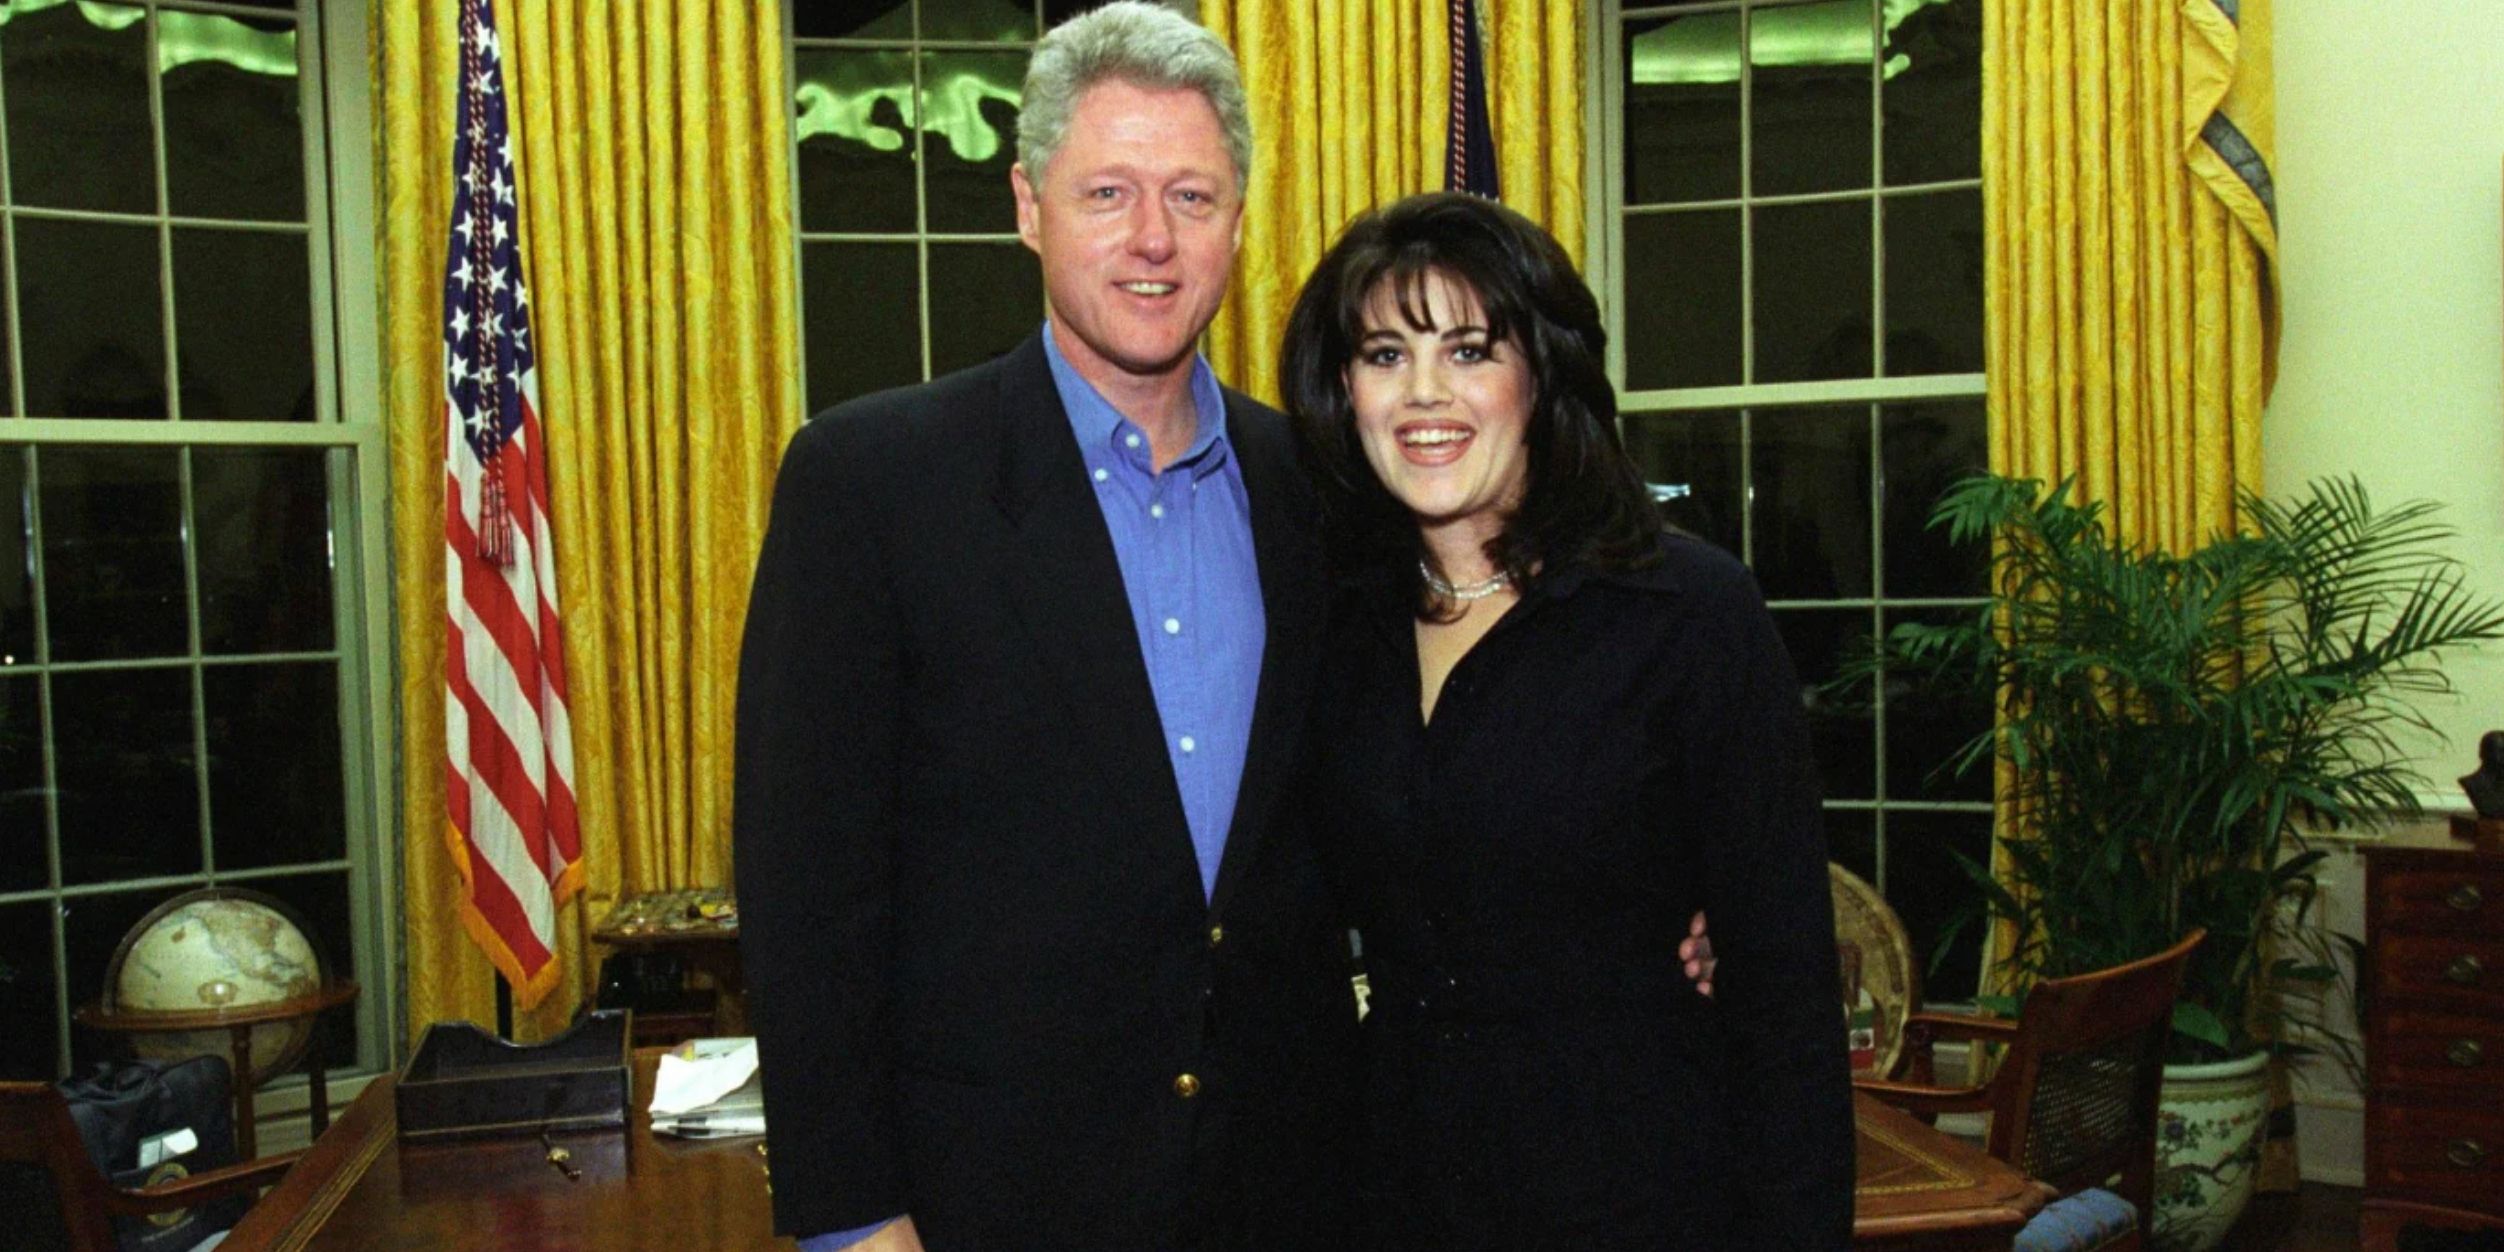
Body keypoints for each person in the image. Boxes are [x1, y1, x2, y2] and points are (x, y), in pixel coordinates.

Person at [732, 7, 1356, 1251]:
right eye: (1106, 192)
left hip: (1287, 1186)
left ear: (1238, 219)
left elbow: (1394, 790)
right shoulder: (870, 484)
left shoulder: (1319, 489)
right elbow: (807, 892)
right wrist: (852, 1216)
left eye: (1190, 196)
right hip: (991, 1196)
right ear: (1028, 207)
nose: (1151, 238)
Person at [1279, 191, 1856, 1250]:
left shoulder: (1687, 613)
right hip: (1390, 1198)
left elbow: (1785, 994)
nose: (1422, 393)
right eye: (1384, 355)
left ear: (1541, 376)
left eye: (1468, 351)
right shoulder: (1327, 625)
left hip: (1640, 1197)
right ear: (1341, 389)